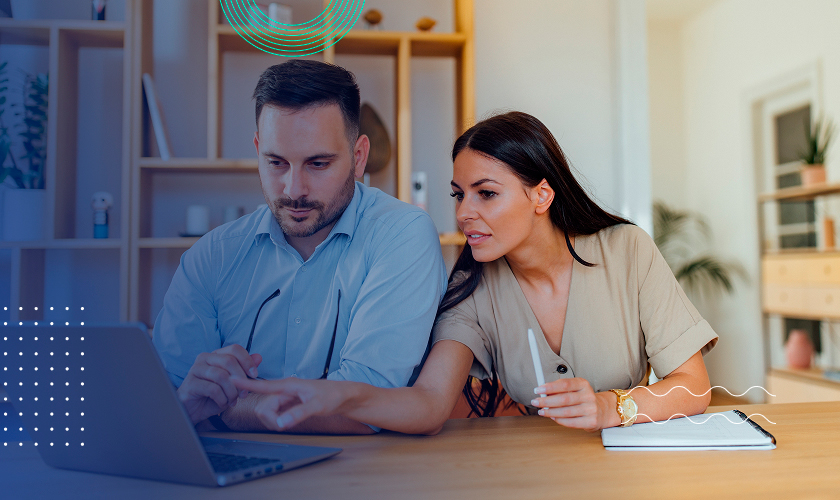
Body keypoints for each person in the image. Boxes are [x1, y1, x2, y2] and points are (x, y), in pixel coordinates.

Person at [234, 111, 719, 435]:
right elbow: (428, 402)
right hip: (529, 476)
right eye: (458, 194)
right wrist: (330, 397)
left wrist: (611, 408)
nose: (464, 212)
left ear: (541, 196)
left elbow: (694, 385)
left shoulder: (626, 250)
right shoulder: (472, 290)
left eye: (485, 193)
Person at [152, 60, 447, 434]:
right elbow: (171, 399)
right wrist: (190, 403)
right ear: (258, 148)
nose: (294, 190)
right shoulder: (211, 256)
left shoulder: (402, 235)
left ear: (358, 158)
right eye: (276, 162)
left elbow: (370, 400)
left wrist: (229, 407)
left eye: (318, 163)